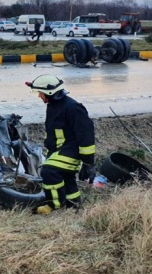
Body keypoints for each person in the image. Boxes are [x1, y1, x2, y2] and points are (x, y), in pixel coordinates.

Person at [25, 74, 96, 214]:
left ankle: (55, 206)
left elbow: (86, 136)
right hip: (59, 150)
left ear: (50, 93)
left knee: (49, 171)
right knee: (66, 177)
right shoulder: (53, 105)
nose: (39, 96)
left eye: (40, 93)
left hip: (72, 150)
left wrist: (88, 164)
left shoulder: (74, 108)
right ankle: (74, 205)